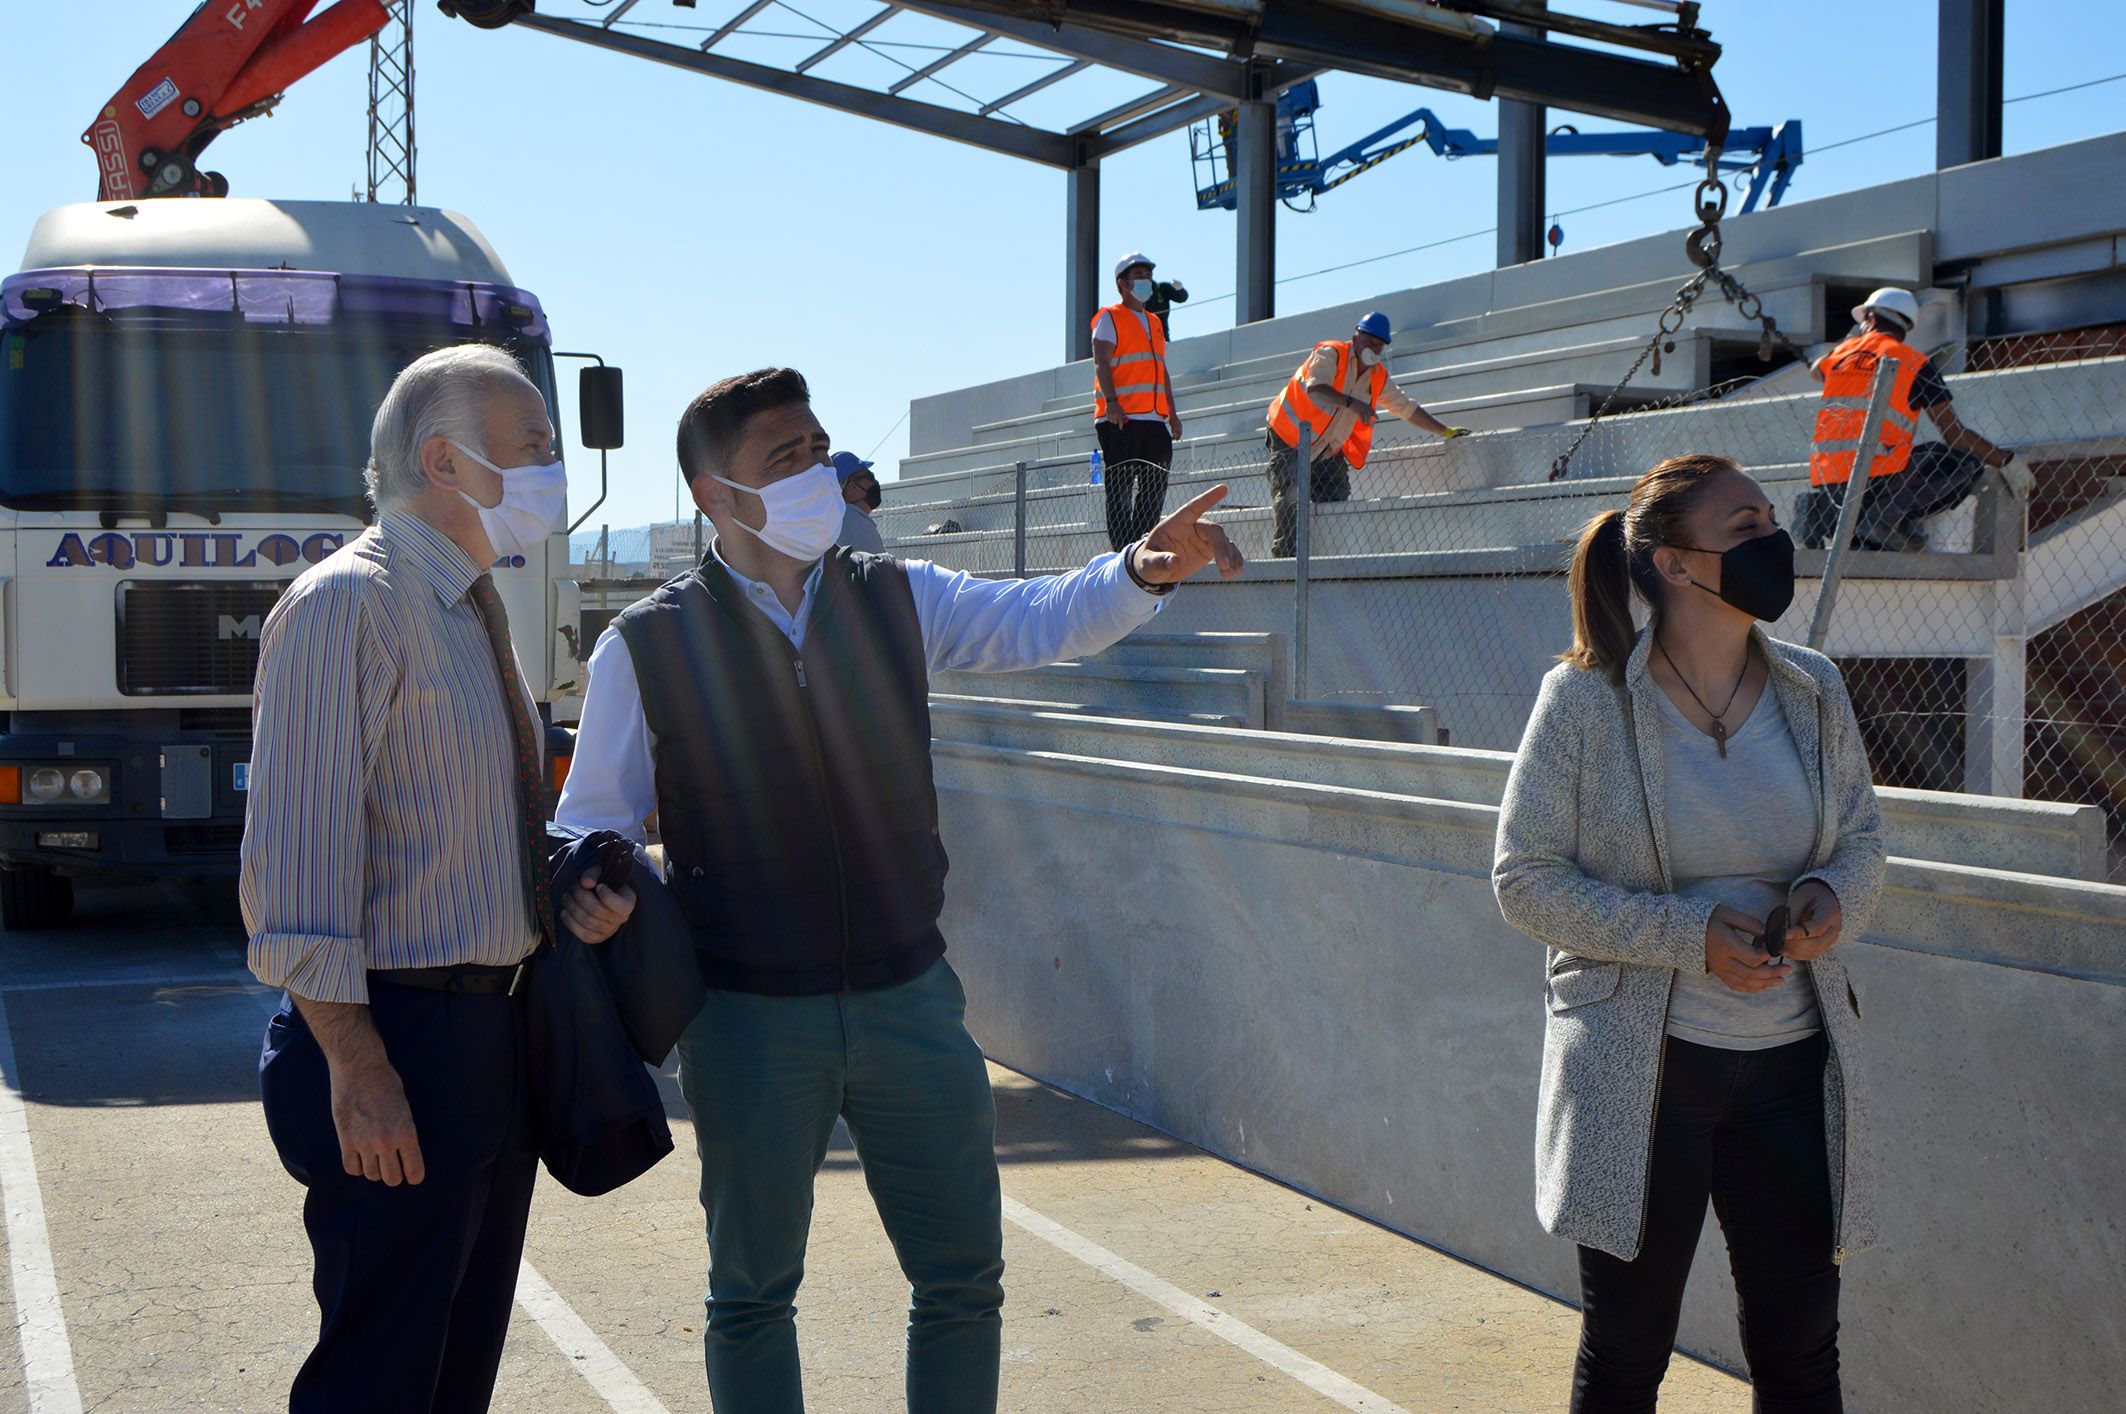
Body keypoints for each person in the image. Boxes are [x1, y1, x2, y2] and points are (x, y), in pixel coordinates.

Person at [555, 366, 1242, 1413]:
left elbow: (1034, 616)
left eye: (816, 447)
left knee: (963, 1279)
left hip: (910, 997)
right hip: (742, 1016)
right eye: (782, 459)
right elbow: (588, 818)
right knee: (750, 1294)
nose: (815, 473)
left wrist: (1141, 571)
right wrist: (595, 890)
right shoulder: (645, 643)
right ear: (714, 495)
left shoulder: (894, 594)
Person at [242, 344, 637, 1412]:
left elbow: (445, 831)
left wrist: (558, 897)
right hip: (396, 1044)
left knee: (451, 1374)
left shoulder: (470, 606)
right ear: (442, 459)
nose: (553, 468)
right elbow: (296, 877)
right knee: (380, 1375)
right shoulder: (345, 609)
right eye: (535, 447)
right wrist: (358, 1071)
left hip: (484, 1042)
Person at [1492, 453, 1888, 1412]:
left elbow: (1865, 842)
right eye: (1744, 526)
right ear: (1675, 564)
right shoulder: (1587, 701)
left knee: (1802, 1356)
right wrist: (1687, 935)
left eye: (1769, 519)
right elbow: (1524, 881)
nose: (1772, 541)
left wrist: (1835, 897)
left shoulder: (1814, 689)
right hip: (1645, 1069)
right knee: (1628, 1354)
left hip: (1792, 1068)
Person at [1799, 286, 2015, 551]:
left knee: (1861, 516)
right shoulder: (1915, 363)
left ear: (1872, 319)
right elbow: (1954, 434)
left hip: (1829, 479)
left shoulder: (1838, 357)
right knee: (1963, 463)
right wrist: (2006, 461)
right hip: (1876, 480)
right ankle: (1885, 518)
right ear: (1907, 327)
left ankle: (1821, 512)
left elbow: (1815, 369)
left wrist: (1854, 340)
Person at [1264, 311, 1467, 557]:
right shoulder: (1331, 353)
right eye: (1371, 342)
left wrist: (1444, 430)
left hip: (1326, 448)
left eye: (1380, 345)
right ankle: (1285, 557)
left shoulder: (1377, 376)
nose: (1375, 348)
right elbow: (1316, 389)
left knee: (1336, 495)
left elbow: (1407, 407)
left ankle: (1328, 557)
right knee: (1291, 495)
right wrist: (1352, 402)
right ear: (1356, 337)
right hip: (1289, 436)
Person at [1091, 251, 1184, 553]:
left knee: (1154, 486)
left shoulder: (1155, 321)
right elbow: (1101, 362)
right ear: (1122, 284)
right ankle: (1123, 552)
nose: (1146, 281)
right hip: (1121, 419)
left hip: (1154, 420)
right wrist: (1112, 402)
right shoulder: (1110, 317)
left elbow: (1161, 369)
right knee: (1119, 489)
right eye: (1139, 276)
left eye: (1148, 275)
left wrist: (1172, 413)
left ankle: (1141, 544)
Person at [831, 449, 886, 553]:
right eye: (870, 476)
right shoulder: (854, 523)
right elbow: (879, 568)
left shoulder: (838, 518)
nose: (875, 481)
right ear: (852, 487)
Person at [1144, 273, 1189, 340]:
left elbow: (1181, 298)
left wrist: (1179, 289)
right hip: (1139, 335)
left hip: (1161, 334)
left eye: (1146, 273)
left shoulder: (1162, 288)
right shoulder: (1130, 294)